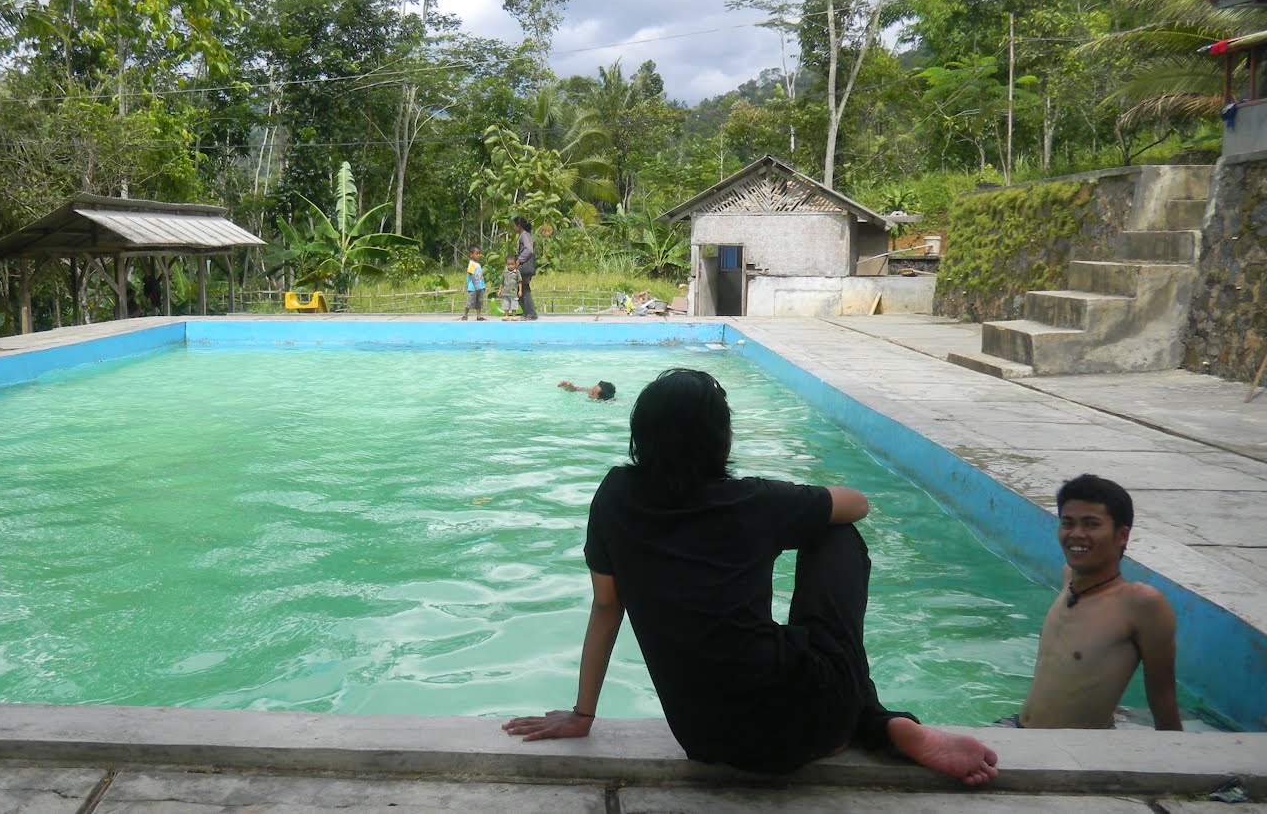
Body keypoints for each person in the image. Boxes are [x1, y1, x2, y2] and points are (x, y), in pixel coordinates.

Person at [503, 368, 999, 786]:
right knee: (836, 534)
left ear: (641, 434)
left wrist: (583, 714)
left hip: (705, 737)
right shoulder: (753, 502)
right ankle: (877, 722)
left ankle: (879, 723)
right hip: (814, 722)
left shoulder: (614, 496)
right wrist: (789, 506)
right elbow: (858, 504)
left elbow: (607, 607)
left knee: (789, 636)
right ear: (722, 437)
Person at [1005, 474, 1181, 730]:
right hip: (1018, 727)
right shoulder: (1069, 579)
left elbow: (1163, 697)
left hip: (1071, 754)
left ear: (1122, 536)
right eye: (1067, 523)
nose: (1076, 534)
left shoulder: (1140, 604)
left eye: (1091, 524)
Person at [512, 215, 538, 320]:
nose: (514, 228)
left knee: (524, 289)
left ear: (519, 226)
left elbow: (528, 250)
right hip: (523, 267)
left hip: (524, 267)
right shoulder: (524, 235)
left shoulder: (524, 235)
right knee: (520, 288)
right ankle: (526, 312)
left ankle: (531, 313)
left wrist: (519, 260)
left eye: (514, 226)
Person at [460, 246, 487, 321]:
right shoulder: (471, 263)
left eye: (479, 254)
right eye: (477, 254)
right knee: (470, 301)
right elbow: (471, 274)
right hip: (473, 287)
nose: (478, 255)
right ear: (471, 255)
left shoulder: (478, 264)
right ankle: (465, 315)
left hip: (480, 286)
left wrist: (482, 285)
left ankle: (478, 316)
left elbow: (480, 275)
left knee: (479, 302)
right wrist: (475, 285)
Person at [499, 256, 522, 320]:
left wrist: (520, 290)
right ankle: (506, 316)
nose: (510, 266)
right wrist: (500, 290)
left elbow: (520, 282)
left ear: (515, 264)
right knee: (506, 304)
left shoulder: (517, 272)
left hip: (514, 292)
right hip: (505, 292)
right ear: (506, 264)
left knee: (514, 304)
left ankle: (514, 316)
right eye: (509, 264)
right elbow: (502, 283)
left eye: (512, 264)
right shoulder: (504, 273)